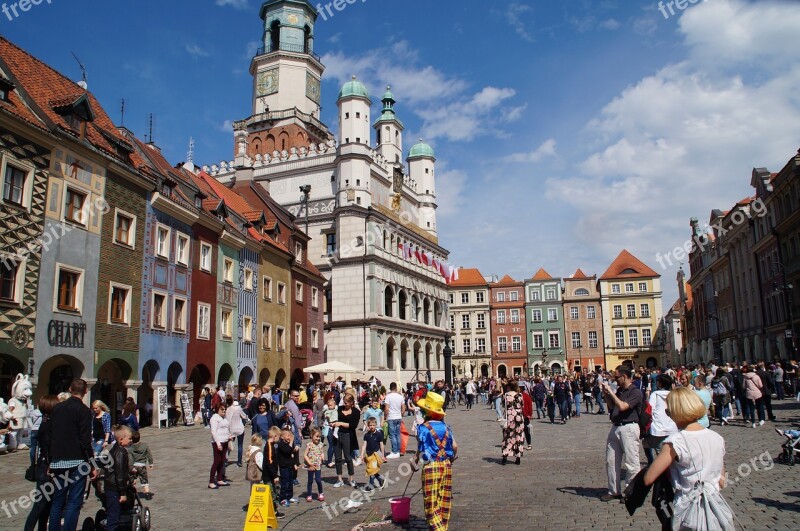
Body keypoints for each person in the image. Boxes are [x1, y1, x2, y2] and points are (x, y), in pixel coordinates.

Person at [644, 387, 729, 528]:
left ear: (675, 412)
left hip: (686, 505)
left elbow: (649, 478)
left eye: (668, 411)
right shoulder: (717, 438)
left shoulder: (675, 442)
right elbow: (721, 481)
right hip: (715, 504)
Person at [48, 379, 97, 531]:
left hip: (58, 460)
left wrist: (50, 460)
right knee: (74, 501)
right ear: (86, 391)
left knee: (57, 500)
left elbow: (51, 435)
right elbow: (85, 440)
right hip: (77, 461)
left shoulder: (57, 408)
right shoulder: (84, 411)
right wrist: (92, 464)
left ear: (70, 389)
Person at [413, 390, 457, 531]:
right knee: (444, 500)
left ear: (428, 412)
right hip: (446, 465)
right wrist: (451, 459)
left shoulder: (423, 428)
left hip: (431, 466)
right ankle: (442, 526)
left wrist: (413, 462)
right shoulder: (446, 427)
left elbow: (420, 450)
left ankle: (439, 529)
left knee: (430, 503)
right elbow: (455, 446)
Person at [601, 365, 643, 502]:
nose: (615, 380)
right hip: (616, 426)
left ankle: (631, 492)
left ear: (624, 377)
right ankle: (614, 490)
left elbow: (623, 406)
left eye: (617, 377)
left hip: (629, 427)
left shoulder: (635, 392)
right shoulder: (620, 390)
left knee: (631, 462)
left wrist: (611, 393)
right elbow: (613, 406)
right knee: (611, 460)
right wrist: (606, 395)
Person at [24, 395, 58, 531]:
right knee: (40, 504)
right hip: (46, 467)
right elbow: (48, 447)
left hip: (44, 465)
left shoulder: (46, 423)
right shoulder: (48, 425)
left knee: (47, 504)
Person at [103, 425, 133, 531]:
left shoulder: (114, 450)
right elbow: (120, 474)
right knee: (113, 517)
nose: (131, 440)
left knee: (112, 513)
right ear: (121, 440)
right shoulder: (121, 452)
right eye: (129, 438)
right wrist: (123, 493)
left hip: (110, 486)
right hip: (115, 488)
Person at [645, 375, 678, 465]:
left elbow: (650, 410)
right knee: (671, 452)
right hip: (672, 427)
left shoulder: (655, 394)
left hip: (658, 427)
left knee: (659, 452)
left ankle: (654, 466)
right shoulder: (674, 395)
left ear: (659, 383)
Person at [332, 394, 360, 488]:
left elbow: (353, 425)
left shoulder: (356, 412)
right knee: (338, 458)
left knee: (348, 457)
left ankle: (351, 478)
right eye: (344, 402)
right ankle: (339, 479)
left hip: (348, 435)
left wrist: (340, 423)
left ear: (352, 402)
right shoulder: (339, 409)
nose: (345, 404)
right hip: (337, 435)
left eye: (347, 402)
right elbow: (332, 417)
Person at [261, 426, 286, 519]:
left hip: (270, 475)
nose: (279, 439)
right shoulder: (269, 446)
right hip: (269, 476)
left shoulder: (270, 445)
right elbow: (270, 462)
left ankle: (274, 511)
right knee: (272, 494)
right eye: (279, 437)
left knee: (274, 493)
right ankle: (273, 512)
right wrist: (275, 475)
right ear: (275, 436)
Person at [209, 403, 232, 489]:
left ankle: (219, 479)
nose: (224, 411)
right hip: (217, 442)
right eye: (222, 409)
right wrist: (218, 443)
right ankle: (211, 481)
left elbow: (226, 428)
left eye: (225, 409)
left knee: (222, 461)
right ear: (217, 410)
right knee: (217, 461)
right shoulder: (214, 418)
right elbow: (214, 432)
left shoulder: (224, 418)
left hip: (225, 441)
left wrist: (229, 436)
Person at [360, 418, 387, 491]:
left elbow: (381, 445)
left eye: (373, 425)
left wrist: (383, 455)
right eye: (370, 425)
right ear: (368, 426)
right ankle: (381, 479)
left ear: (376, 425)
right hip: (369, 455)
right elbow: (364, 445)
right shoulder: (366, 435)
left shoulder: (379, 434)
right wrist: (362, 454)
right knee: (372, 469)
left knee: (371, 470)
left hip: (376, 454)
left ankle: (370, 486)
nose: (372, 426)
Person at [501, 381, 524, 465]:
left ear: (509, 387)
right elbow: (522, 405)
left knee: (508, 437)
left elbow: (504, 405)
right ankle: (518, 457)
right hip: (518, 417)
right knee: (519, 437)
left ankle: (505, 456)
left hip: (509, 417)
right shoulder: (520, 395)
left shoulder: (506, 395)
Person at [128, 431, 154, 500]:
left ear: (131, 439)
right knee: (144, 480)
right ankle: (147, 494)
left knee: (133, 480)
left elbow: (130, 459)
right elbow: (149, 454)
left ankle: (133, 494)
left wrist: (131, 467)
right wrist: (151, 463)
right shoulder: (145, 445)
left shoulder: (130, 449)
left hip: (134, 466)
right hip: (142, 466)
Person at [384, 382, 406, 458]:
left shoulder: (388, 396)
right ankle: (399, 450)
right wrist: (401, 415)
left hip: (391, 417)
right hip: (398, 417)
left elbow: (386, 408)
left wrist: (385, 417)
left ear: (390, 388)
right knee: (398, 434)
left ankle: (394, 451)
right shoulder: (400, 396)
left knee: (392, 435)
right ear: (396, 388)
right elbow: (403, 408)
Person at [303, 427, 325, 502]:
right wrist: (310, 463)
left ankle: (321, 493)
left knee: (318, 480)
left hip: (318, 465)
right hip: (311, 465)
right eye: (316, 436)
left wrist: (322, 456)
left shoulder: (321, 444)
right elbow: (305, 455)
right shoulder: (309, 445)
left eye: (319, 437)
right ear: (312, 436)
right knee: (310, 480)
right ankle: (309, 494)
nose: (318, 438)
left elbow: (322, 452)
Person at [277, 428, 298, 506]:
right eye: (288, 435)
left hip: (289, 466)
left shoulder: (288, 443)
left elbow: (291, 455)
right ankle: (283, 498)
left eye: (290, 435)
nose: (289, 437)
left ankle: (289, 496)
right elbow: (287, 451)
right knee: (284, 482)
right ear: (282, 437)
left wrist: (294, 464)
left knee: (290, 482)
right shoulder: (281, 444)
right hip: (284, 466)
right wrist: (291, 442)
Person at [243, 433, 264, 512]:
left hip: (251, 472)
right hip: (256, 473)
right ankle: (255, 503)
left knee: (252, 488)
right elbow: (260, 464)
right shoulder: (258, 452)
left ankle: (251, 502)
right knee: (257, 488)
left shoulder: (251, 449)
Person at [226, 395, 248, 467]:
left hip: (231, 429)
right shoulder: (238, 408)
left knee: (229, 445)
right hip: (239, 428)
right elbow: (244, 416)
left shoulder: (227, 409)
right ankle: (239, 461)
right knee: (240, 445)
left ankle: (225, 460)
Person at [521, 384, 534, 451]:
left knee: (525, 430)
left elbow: (529, 406)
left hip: (524, 416)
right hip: (524, 415)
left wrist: (529, 414)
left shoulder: (525, 396)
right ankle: (524, 444)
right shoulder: (526, 396)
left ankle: (528, 444)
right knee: (524, 430)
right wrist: (530, 414)